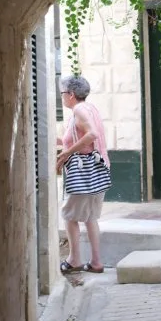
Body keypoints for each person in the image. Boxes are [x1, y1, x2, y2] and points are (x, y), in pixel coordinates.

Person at [56, 75, 109, 274]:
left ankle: (74, 259)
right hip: (98, 170)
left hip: (83, 172)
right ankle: (96, 262)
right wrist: (62, 142)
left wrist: (67, 152)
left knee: (69, 215)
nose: (61, 97)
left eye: (62, 93)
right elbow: (81, 136)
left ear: (71, 94)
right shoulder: (90, 108)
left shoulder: (78, 110)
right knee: (90, 217)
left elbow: (92, 134)